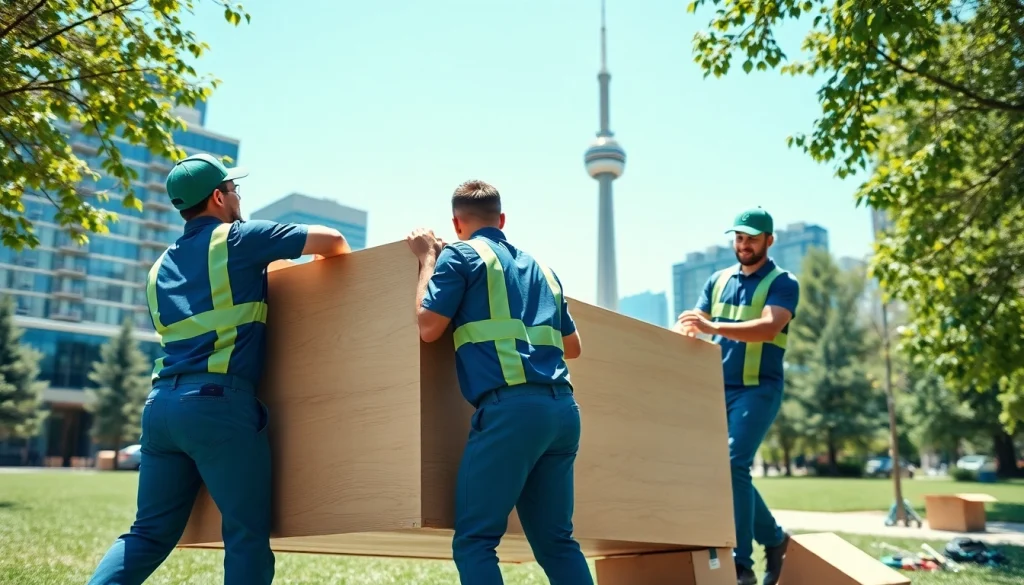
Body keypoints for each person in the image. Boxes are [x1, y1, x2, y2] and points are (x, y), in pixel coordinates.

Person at [87, 153, 351, 585]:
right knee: (245, 535)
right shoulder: (237, 239)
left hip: (160, 407)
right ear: (217, 196)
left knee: (149, 533)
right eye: (233, 189)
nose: (237, 196)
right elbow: (334, 240)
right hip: (218, 407)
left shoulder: (158, 268)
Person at [406, 179, 592, 585]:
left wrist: (426, 261)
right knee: (557, 543)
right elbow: (573, 347)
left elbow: (428, 326)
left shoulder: (459, 256)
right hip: (563, 412)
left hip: (511, 413)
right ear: (502, 219)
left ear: (457, 224)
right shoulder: (543, 269)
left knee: (474, 541)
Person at [674, 207, 797, 585]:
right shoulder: (717, 279)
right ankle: (774, 540)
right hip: (715, 390)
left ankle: (741, 565)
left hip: (759, 388)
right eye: (739, 238)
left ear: (769, 241)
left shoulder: (783, 282)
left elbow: (768, 327)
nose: (743, 246)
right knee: (728, 471)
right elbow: (693, 323)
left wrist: (712, 325)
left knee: (732, 464)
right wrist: (687, 325)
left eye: (752, 239)